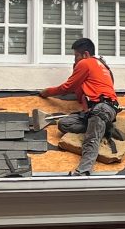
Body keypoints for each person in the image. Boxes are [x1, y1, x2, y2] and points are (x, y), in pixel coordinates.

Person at [39, 37, 119, 176]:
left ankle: (83, 172)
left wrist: (47, 92)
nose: (75, 60)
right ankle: (104, 129)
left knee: (90, 140)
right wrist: (75, 70)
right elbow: (79, 93)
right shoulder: (103, 67)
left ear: (86, 54)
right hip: (97, 111)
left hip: (101, 108)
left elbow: (67, 87)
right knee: (64, 124)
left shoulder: (86, 63)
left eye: (76, 56)